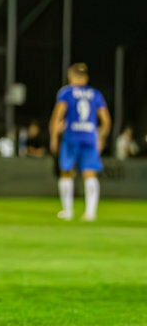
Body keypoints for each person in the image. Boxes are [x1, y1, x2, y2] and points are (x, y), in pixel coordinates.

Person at [50, 63, 111, 221]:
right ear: (86, 77)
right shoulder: (95, 94)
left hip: (71, 137)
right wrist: (101, 137)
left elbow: (57, 116)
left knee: (66, 172)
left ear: (71, 76)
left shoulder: (66, 93)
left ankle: (68, 211)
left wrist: (53, 136)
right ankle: (90, 213)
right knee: (90, 174)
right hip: (90, 138)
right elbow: (106, 120)